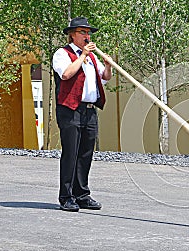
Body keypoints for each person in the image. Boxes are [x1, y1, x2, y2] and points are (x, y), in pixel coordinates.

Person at [52, 17, 112, 212]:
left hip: (89, 110)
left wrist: (108, 65)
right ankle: (66, 196)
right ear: (72, 35)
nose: (87, 36)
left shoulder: (92, 58)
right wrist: (82, 56)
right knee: (71, 153)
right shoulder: (62, 53)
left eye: (88, 33)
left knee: (86, 153)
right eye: (82, 33)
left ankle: (82, 194)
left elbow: (105, 78)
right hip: (70, 109)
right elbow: (66, 74)